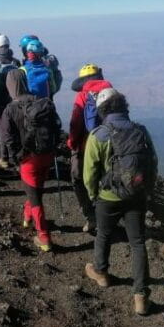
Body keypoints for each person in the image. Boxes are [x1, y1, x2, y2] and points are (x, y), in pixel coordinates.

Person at [82, 88, 156, 314]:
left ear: (103, 110)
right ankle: (141, 295)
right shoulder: (141, 131)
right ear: (124, 106)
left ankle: (101, 273)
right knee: (138, 242)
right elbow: (152, 162)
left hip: (108, 196)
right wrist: (147, 191)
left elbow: (89, 172)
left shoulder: (98, 135)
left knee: (104, 234)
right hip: (136, 195)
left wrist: (94, 195)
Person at [2, 69, 61, 252]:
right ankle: (27, 217)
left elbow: (7, 137)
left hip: (28, 160)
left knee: (35, 198)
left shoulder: (10, 109)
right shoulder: (42, 103)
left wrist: (14, 158)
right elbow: (56, 127)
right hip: (47, 154)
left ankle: (44, 237)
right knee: (36, 189)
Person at [68, 63, 113, 232]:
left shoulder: (82, 96)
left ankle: (91, 216)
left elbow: (75, 123)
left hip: (87, 145)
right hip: (110, 145)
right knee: (106, 179)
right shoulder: (111, 92)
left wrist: (72, 143)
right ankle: (107, 216)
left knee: (78, 179)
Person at [0, 35, 21, 168]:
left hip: (0, 102)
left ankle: (4, 158)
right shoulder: (16, 62)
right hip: (15, 100)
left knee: (2, 130)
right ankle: (17, 156)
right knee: (15, 129)